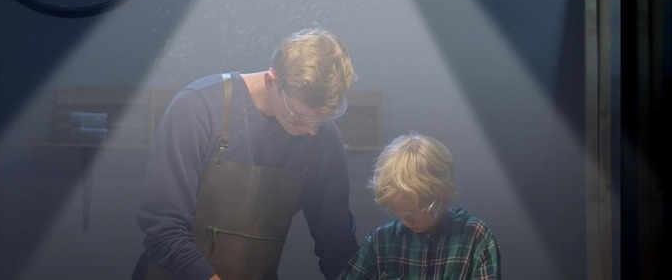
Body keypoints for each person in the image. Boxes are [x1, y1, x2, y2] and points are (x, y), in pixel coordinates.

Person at [132, 27, 360, 280]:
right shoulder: (198, 107)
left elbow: (337, 244)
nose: (312, 130)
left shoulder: (322, 136)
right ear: (272, 81)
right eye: (298, 116)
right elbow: (163, 228)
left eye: (323, 119)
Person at [337, 133, 501, 280]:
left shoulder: (475, 237)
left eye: (410, 213)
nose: (405, 220)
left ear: (441, 197)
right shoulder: (381, 241)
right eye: (396, 211)